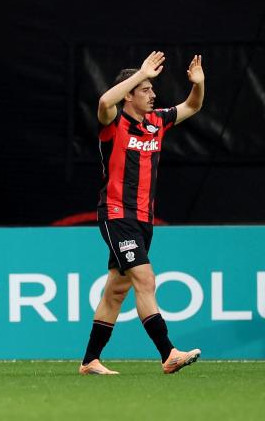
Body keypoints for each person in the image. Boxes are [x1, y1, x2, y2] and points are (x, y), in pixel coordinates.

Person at [79, 52, 205, 375]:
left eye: (152, 88)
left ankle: (89, 360)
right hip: (116, 214)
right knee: (145, 279)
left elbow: (192, 106)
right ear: (130, 94)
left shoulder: (157, 121)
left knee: (117, 290)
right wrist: (139, 74)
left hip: (143, 219)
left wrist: (199, 85)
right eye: (146, 89)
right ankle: (168, 353)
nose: (153, 94)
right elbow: (105, 101)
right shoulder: (114, 123)